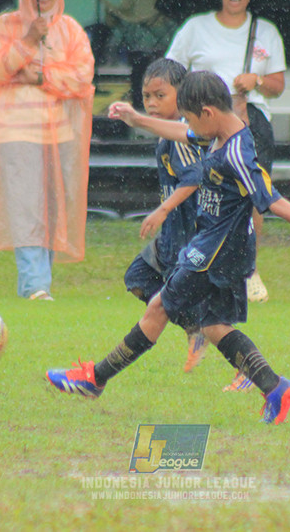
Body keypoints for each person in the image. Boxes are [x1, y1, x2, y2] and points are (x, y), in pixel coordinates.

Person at [49, 72, 290, 426]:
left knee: (158, 307)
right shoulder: (217, 132)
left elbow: (271, 199)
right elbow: (179, 132)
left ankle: (94, 379)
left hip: (214, 251)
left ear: (207, 111)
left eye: (189, 117)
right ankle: (275, 387)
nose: (187, 125)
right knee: (214, 325)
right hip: (223, 248)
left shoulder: (237, 151)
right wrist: (135, 118)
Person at [0, 0, 94, 300]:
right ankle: (34, 285)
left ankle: (40, 283)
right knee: (26, 207)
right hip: (15, 133)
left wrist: (41, 76)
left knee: (53, 211)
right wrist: (26, 41)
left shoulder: (70, 30)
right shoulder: (2, 27)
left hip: (59, 135)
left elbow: (83, 78)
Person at [166, 0, 285, 303]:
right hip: (204, 120)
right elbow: (173, 70)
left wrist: (257, 81)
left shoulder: (265, 32)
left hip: (250, 119)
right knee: (202, 192)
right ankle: (199, 262)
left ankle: (248, 269)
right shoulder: (196, 28)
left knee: (251, 194)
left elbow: (278, 85)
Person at [108, 58, 210, 374]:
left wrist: (162, 210)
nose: (151, 103)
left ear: (182, 95)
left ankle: (233, 355)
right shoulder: (168, 134)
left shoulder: (182, 137)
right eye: (146, 96)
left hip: (186, 231)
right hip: (171, 232)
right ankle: (195, 325)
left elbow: (194, 178)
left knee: (169, 292)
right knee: (139, 278)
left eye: (160, 95)